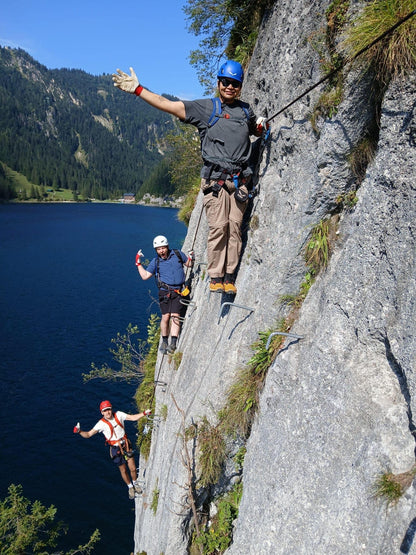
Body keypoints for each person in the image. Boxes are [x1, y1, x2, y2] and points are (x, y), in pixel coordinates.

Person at [112, 61, 267, 295]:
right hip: (215, 181)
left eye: (234, 83)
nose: (229, 87)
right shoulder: (207, 108)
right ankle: (215, 276)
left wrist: (259, 127)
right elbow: (168, 105)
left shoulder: (245, 111)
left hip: (239, 182)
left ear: (240, 86)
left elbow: (253, 130)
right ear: (218, 83)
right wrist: (138, 89)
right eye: (225, 82)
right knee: (218, 227)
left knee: (234, 228)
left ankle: (229, 276)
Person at [73, 400, 151, 499]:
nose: (107, 412)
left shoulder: (119, 415)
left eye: (109, 409)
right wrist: (79, 431)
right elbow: (88, 434)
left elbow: (132, 418)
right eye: (105, 411)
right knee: (123, 470)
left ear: (111, 409)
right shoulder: (101, 424)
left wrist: (144, 413)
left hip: (125, 444)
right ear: (102, 412)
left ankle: (135, 483)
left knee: (132, 468)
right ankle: (130, 487)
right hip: (115, 448)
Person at [135, 235, 194, 354]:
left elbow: (188, 264)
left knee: (175, 316)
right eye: (158, 249)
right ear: (156, 250)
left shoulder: (177, 254)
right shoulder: (155, 262)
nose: (161, 251)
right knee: (166, 317)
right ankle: (165, 340)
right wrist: (138, 263)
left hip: (178, 291)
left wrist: (191, 257)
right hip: (165, 292)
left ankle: (173, 343)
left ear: (167, 247)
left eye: (163, 248)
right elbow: (145, 276)